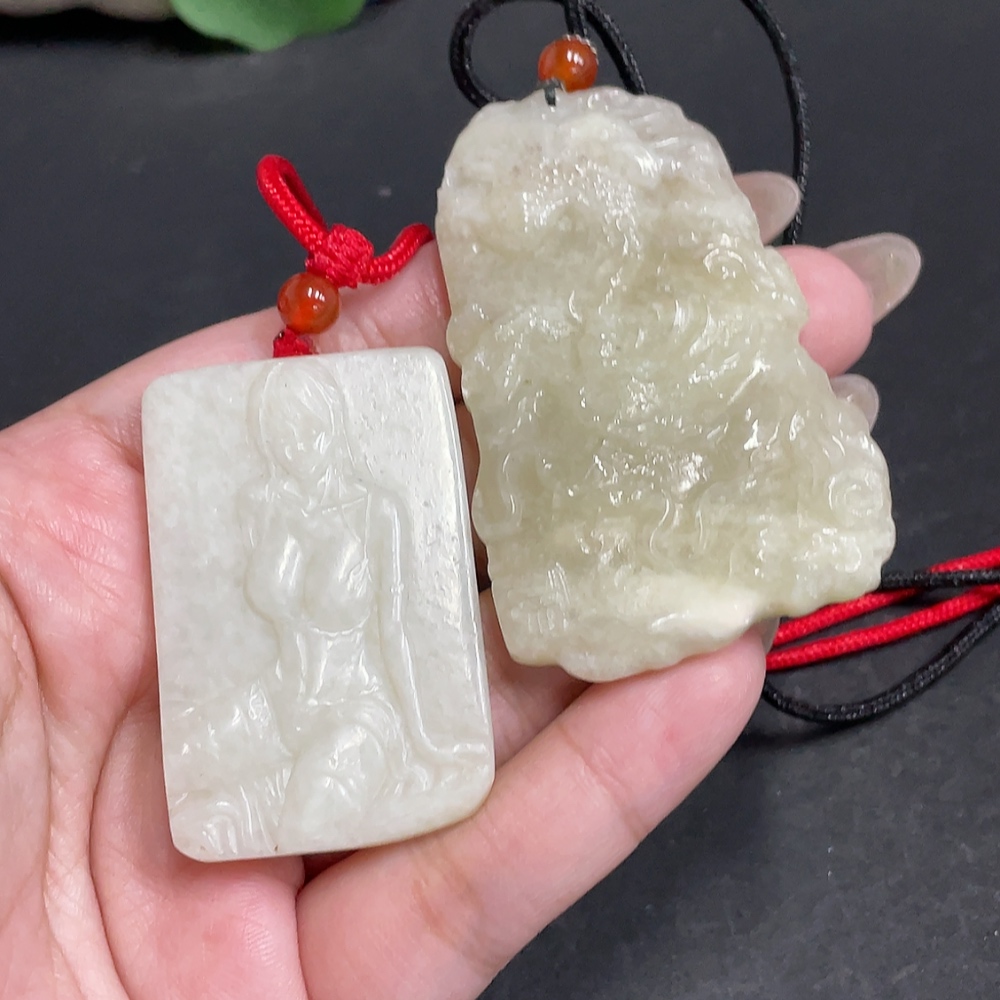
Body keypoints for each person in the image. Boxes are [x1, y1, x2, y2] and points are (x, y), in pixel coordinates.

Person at [0, 182, 916, 998]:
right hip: (266, 707)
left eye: (311, 431)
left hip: (356, 715)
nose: (298, 448)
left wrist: (432, 731)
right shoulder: (258, 510)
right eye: (284, 435)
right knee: (220, 785)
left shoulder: (376, 510)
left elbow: (406, 629)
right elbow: (223, 633)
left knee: (309, 785)